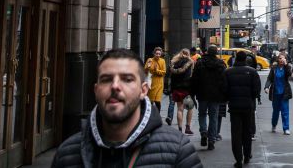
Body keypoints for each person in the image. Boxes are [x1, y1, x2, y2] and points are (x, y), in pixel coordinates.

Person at [51, 48, 200, 167]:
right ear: (96, 90)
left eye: (127, 79)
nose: (115, 86)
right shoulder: (67, 154)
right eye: (106, 79)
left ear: (143, 90)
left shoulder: (179, 152)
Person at [224, 53, 261, 167]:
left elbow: (224, 90)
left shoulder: (228, 72)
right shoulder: (252, 72)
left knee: (236, 133)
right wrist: (251, 98)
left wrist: (229, 99)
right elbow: (256, 90)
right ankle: (247, 155)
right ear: (246, 59)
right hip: (247, 106)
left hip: (234, 107)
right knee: (247, 131)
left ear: (235, 59)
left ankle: (238, 159)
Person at [191, 44, 228, 150]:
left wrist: (192, 93)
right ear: (216, 52)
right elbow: (224, 81)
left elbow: (194, 79)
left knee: (202, 114)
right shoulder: (221, 64)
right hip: (216, 96)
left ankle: (203, 132)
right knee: (214, 117)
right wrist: (225, 95)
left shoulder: (200, 63)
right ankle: (211, 140)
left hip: (202, 94)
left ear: (207, 52)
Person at [264, 53, 293, 135]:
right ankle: (274, 125)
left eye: (283, 58)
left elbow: (289, 74)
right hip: (275, 93)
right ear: (278, 59)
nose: (281, 60)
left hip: (284, 93)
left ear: (285, 60)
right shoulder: (274, 68)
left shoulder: (287, 67)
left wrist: (286, 64)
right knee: (276, 112)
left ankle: (286, 128)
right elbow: (269, 79)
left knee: (285, 112)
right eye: (280, 58)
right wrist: (266, 87)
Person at [167, 49, 195, 134]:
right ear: (188, 54)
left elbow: (170, 77)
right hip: (187, 89)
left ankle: (180, 129)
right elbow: (192, 75)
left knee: (180, 109)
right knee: (190, 108)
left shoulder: (174, 63)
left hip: (176, 89)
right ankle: (187, 127)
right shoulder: (190, 62)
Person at [145, 47, 167, 115]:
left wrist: (156, 70)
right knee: (151, 101)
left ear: (161, 54)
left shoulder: (162, 61)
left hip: (159, 83)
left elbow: (163, 72)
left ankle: (157, 115)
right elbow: (145, 71)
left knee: (157, 101)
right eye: (156, 53)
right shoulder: (150, 60)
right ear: (154, 53)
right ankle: (149, 115)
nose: (157, 55)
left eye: (159, 54)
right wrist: (148, 67)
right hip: (151, 82)